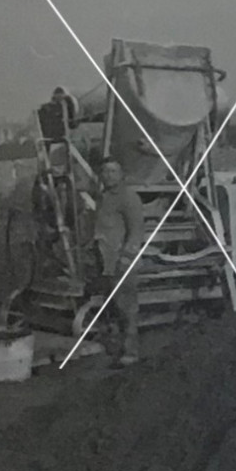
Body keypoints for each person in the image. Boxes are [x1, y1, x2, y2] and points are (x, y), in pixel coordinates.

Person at [93, 157, 145, 366]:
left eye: (114, 171)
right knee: (113, 305)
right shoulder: (103, 197)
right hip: (104, 259)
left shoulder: (128, 198)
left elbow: (136, 231)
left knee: (127, 307)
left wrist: (127, 257)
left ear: (122, 175)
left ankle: (131, 352)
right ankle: (116, 348)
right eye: (105, 171)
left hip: (121, 260)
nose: (109, 175)